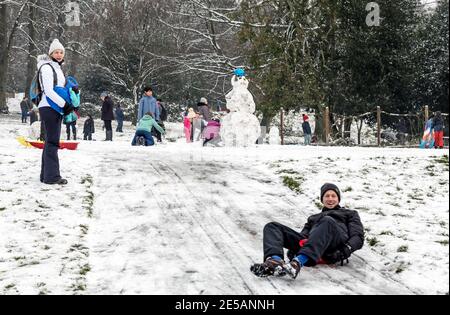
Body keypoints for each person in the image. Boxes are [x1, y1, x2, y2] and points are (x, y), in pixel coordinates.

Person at [251, 183, 364, 279]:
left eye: (333, 196)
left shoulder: (350, 214)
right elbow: (303, 236)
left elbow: (358, 237)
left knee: (327, 221)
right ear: (322, 200)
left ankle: (297, 262)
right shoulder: (313, 218)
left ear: (338, 199)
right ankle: (275, 262)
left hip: (334, 245)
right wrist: (293, 248)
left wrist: (344, 250)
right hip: (313, 247)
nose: (330, 199)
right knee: (272, 226)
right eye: (327, 196)